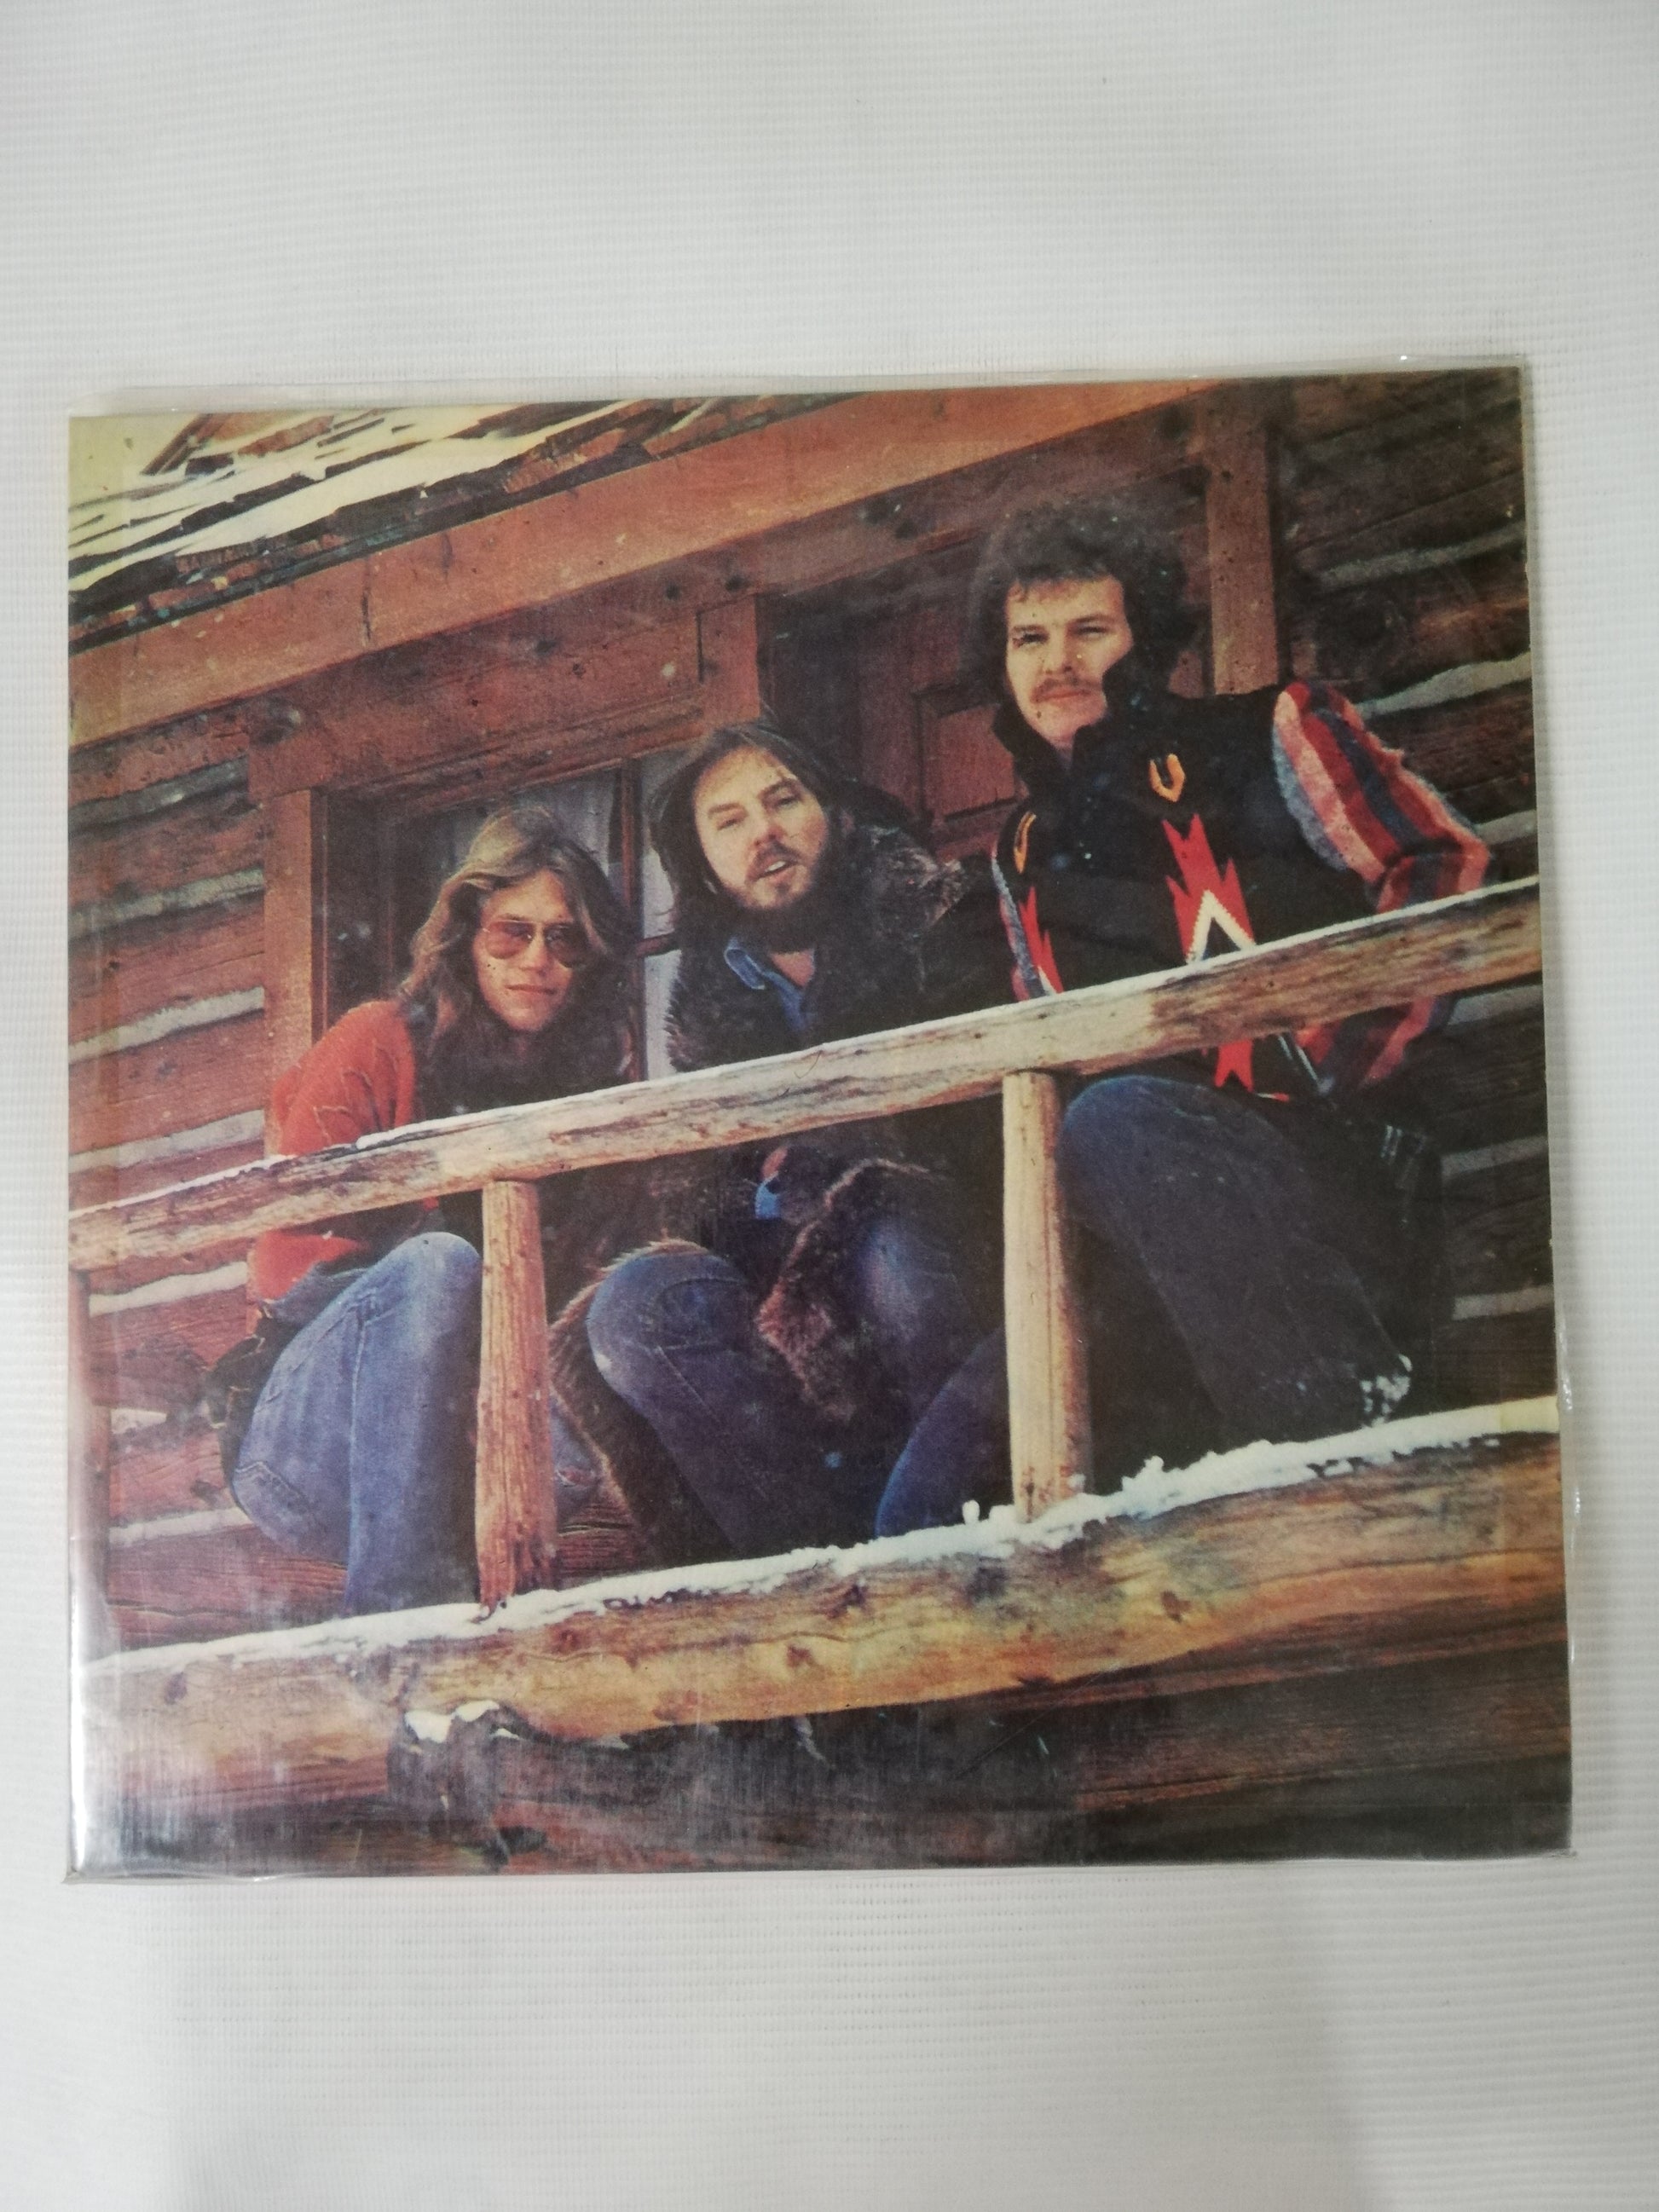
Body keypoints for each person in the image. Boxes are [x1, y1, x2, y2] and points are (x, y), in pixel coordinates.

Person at [874, 499, 1491, 1534]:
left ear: (1146, 639)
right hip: (1138, 1240)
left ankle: (1356, 1463)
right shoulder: (1019, 852)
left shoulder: (1266, 733)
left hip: (1323, 1184)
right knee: (922, 1519)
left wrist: (1322, 1061)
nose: (1056, 663)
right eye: (1028, 638)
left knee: (1120, 1120)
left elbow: (1443, 869)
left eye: (1089, 629)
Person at [577, 718, 1014, 1556]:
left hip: (958, 1278)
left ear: (836, 815)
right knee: (634, 1305)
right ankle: (820, 1576)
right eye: (729, 821)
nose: (763, 834)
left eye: (783, 801)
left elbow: (982, 1138)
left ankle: (963, 1552)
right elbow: (708, 1198)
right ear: (702, 861)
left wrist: (823, 1165)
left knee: (887, 1251)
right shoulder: (706, 1002)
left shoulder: (940, 921)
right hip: (791, 1328)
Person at [217, 804, 635, 1614]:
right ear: (467, 936)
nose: (538, 959)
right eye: (512, 933)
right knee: (440, 1263)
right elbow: (283, 1266)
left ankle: (497, 1626)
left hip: (472, 1469)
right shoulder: (380, 1039)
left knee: (611, 1326)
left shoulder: (586, 1095)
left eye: (566, 939)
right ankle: (398, 1627)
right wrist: (446, 1310)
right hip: (307, 1446)